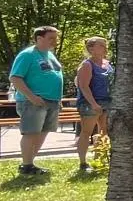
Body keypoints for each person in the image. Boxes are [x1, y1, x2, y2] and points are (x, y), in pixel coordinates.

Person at [9, 26, 65, 176]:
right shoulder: (27, 55)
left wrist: (58, 99)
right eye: (51, 38)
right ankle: (26, 166)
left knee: (43, 132)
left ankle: (30, 163)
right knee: (31, 133)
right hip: (33, 101)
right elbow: (15, 78)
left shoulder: (50, 55)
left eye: (55, 38)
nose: (55, 41)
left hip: (51, 101)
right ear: (39, 38)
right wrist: (31, 97)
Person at [74, 36, 112, 174]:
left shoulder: (108, 64)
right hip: (90, 103)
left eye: (104, 45)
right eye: (101, 45)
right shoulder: (87, 65)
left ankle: (100, 158)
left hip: (106, 102)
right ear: (91, 48)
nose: (104, 48)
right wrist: (94, 104)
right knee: (86, 132)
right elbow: (83, 86)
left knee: (104, 131)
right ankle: (83, 162)